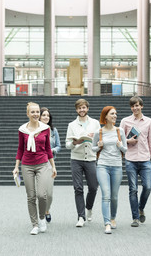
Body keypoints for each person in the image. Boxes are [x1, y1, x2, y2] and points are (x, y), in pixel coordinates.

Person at [13, 102, 57, 235]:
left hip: (43, 164)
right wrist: (16, 167)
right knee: (31, 196)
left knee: (41, 195)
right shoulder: (22, 130)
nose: (36, 114)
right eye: (33, 112)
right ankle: (35, 224)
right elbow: (20, 148)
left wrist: (53, 166)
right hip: (27, 165)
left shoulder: (45, 129)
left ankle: (42, 217)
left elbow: (48, 149)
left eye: (37, 111)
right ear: (28, 114)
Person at [119, 96, 151, 227]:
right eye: (133, 106)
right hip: (131, 159)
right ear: (131, 108)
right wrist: (129, 141)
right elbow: (119, 139)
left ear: (142, 106)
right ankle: (135, 217)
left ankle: (141, 207)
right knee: (133, 189)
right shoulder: (125, 121)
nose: (135, 108)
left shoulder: (149, 121)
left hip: (145, 159)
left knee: (147, 187)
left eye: (137, 105)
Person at [66, 99, 101, 227]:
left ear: (87, 108)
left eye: (84, 107)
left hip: (91, 158)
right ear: (76, 110)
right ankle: (81, 216)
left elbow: (99, 141)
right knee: (78, 188)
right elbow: (67, 144)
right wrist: (74, 143)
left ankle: (89, 207)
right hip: (76, 159)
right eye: (79, 108)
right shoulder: (72, 125)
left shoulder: (95, 123)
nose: (82, 110)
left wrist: (94, 140)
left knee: (93, 187)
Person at [92, 106, 127, 234]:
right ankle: (106, 223)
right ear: (105, 116)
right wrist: (98, 146)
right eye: (112, 114)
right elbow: (93, 148)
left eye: (116, 114)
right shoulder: (99, 132)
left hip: (117, 165)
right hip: (102, 165)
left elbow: (126, 150)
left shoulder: (120, 131)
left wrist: (120, 146)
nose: (115, 116)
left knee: (114, 196)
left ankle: (113, 218)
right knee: (106, 194)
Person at [39, 107, 61, 223]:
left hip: (49, 162)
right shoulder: (35, 130)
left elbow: (59, 146)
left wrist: (52, 150)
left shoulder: (53, 130)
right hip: (37, 163)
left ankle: (47, 210)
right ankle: (41, 214)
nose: (46, 117)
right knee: (40, 193)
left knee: (49, 194)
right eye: (44, 115)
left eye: (48, 115)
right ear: (39, 117)